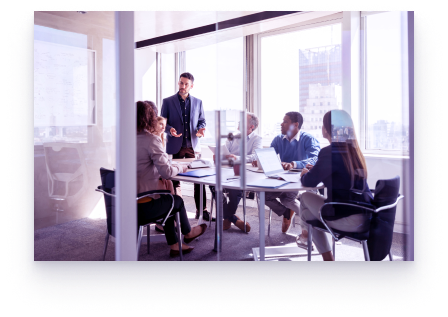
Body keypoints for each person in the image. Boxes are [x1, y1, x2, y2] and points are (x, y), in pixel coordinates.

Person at [296, 110, 374, 261]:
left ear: (326, 129)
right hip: (367, 215)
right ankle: (325, 256)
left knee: (305, 197)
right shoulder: (353, 151)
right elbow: (339, 174)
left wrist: (304, 173)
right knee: (307, 215)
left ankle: (317, 247)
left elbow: (308, 183)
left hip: (347, 218)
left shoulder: (329, 152)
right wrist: (318, 170)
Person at [136, 101, 207, 257]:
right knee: (176, 200)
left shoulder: (126, 139)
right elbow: (168, 172)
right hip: (143, 208)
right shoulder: (151, 140)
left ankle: (175, 245)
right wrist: (181, 167)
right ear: (149, 118)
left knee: (167, 195)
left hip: (126, 204)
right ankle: (188, 233)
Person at [253, 111, 320, 233]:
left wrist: (294, 164)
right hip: (282, 177)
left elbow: (315, 159)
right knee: (261, 195)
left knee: (287, 199)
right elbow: (269, 155)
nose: (281, 124)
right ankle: (286, 212)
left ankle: (314, 227)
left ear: (295, 125)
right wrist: (260, 161)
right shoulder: (278, 139)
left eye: (285, 122)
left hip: (299, 178)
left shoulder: (308, 139)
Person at [160, 72, 215, 222]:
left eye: (186, 84)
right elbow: (161, 123)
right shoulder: (168, 102)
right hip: (175, 146)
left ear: (191, 86)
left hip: (192, 146)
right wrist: (169, 129)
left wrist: (201, 128)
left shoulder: (198, 102)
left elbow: (202, 121)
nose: (182, 86)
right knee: (174, 179)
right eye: (181, 83)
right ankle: (177, 211)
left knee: (198, 179)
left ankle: (202, 210)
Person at [209, 112, 262, 233]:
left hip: (242, 172)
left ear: (251, 127)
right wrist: (219, 155)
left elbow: (255, 156)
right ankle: (231, 218)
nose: (239, 124)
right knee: (212, 184)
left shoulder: (257, 139)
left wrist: (237, 158)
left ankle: (227, 218)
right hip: (226, 169)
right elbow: (225, 150)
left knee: (234, 189)